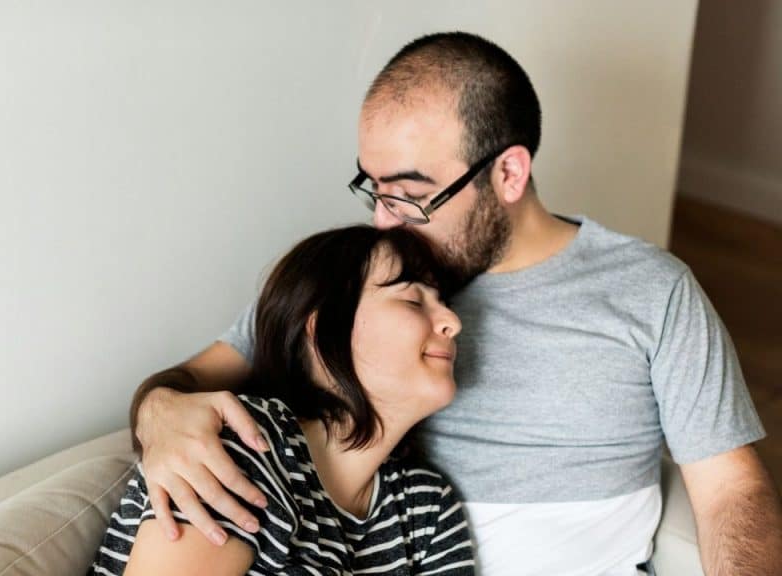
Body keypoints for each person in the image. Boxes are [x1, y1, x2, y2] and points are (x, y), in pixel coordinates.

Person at [129, 32, 782, 575]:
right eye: (374, 189)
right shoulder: (360, 291)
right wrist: (158, 412)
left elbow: (732, 493)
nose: (386, 222)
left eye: (411, 193)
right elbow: (190, 381)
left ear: (509, 174)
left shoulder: (653, 291)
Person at [92, 225, 475, 575]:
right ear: (323, 326)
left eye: (443, 303)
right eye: (412, 300)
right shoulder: (244, 442)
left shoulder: (426, 506)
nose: (452, 323)